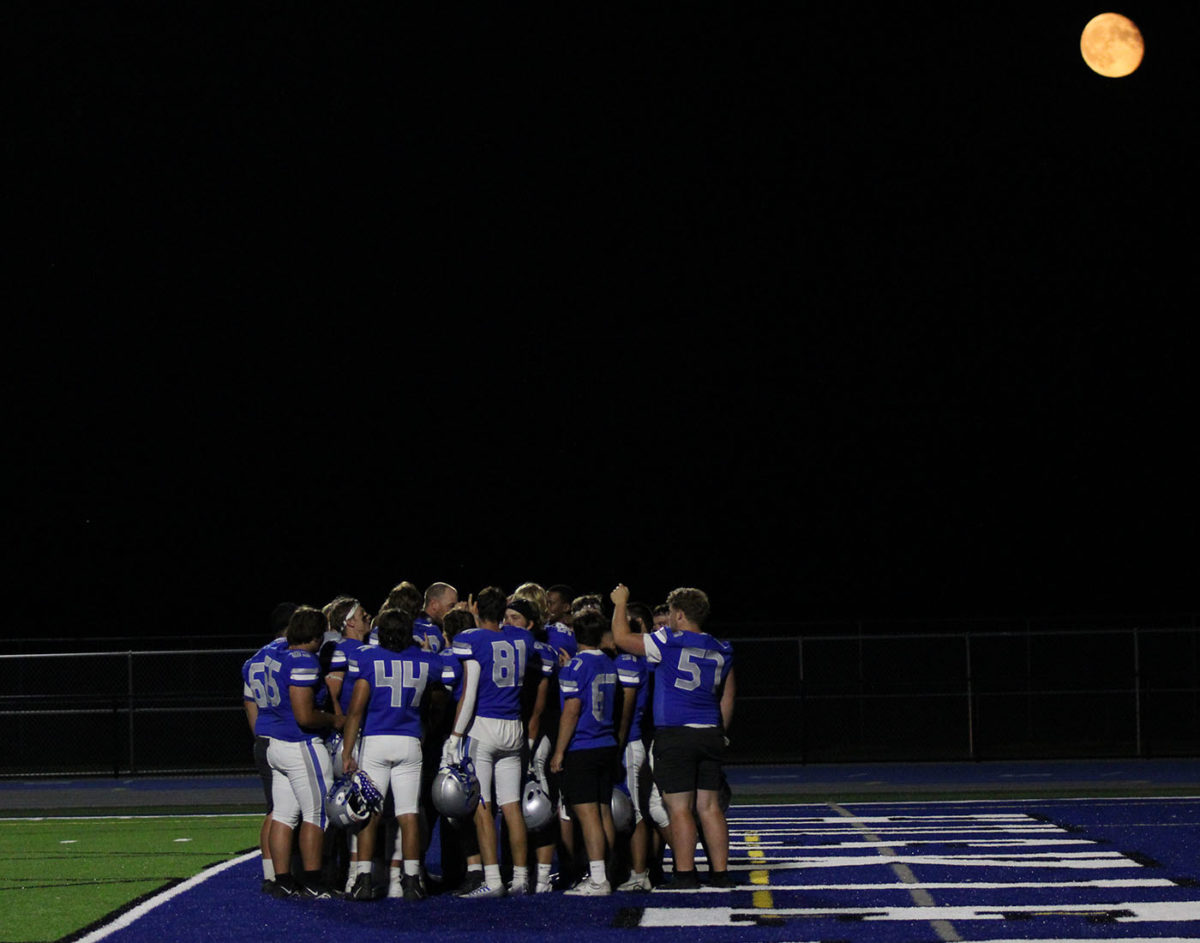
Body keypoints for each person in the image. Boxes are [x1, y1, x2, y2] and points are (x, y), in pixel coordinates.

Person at [609, 584, 735, 889]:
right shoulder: (721, 647)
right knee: (710, 807)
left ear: (678, 614)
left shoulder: (667, 641)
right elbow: (727, 696)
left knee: (678, 809)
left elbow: (621, 639)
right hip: (710, 731)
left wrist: (620, 604)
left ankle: (685, 873)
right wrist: (721, 732)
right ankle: (720, 873)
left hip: (676, 733)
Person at [342, 608, 444, 901]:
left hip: (376, 740)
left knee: (371, 813)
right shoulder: (426, 662)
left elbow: (355, 711)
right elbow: (444, 685)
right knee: (409, 814)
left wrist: (348, 752)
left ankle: (363, 879)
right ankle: (412, 880)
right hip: (410, 741)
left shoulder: (368, 658)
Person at [445, 586, 540, 898]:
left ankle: (494, 880)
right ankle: (522, 878)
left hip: (483, 727)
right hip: (514, 726)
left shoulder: (470, 639)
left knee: (482, 805)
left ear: (476, 612)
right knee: (511, 806)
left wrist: (455, 736)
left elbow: (469, 693)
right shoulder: (523, 638)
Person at [257, 606, 345, 898]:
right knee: (317, 814)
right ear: (316, 636)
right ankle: (312, 881)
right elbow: (305, 716)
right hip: (300, 744)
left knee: (284, 814)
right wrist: (334, 720)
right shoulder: (303, 661)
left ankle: (281, 879)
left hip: (275, 745)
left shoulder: (273, 655)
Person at [550, 608, 619, 896]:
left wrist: (559, 752)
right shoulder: (608, 662)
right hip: (606, 744)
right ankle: (608, 872)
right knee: (604, 813)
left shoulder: (576, 666)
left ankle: (599, 878)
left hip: (584, 746)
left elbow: (572, 710)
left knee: (588, 815)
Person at [241, 601, 295, 892]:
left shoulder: (253, 661)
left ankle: (270, 871)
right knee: (282, 811)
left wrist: (261, 736)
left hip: (264, 738)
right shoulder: (290, 656)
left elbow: (249, 705)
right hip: (287, 738)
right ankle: (279, 875)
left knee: (274, 809)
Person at [613, 601, 654, 891]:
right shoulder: (639, 660)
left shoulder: (630, 661)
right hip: (633, 740)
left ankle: (640, 875)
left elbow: (627, 711)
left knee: (635, 811)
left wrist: (618, 743)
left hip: (630, 741)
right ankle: (631, 870)